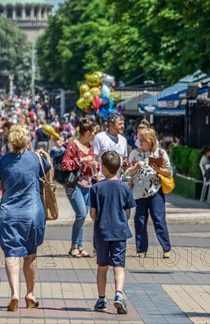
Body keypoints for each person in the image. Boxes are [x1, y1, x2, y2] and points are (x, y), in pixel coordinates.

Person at [0, 124, 53, 311]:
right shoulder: (36, 159)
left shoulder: (2, 161)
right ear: (28, 140)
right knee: (30, 254)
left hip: (9, 213)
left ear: (11, 141)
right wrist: (47, 158)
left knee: (11, 253)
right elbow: (49, 178)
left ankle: (14, 294)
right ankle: (30, 294)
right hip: (33, 213)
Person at [90, 151, 136, 314]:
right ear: (117, 168)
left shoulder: (96, 188)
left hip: (102, 232)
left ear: (103, 167)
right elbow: (128, 213)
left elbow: (93, 214)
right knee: (119, 266)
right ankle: (118, 295)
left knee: (102, 266)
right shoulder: (125, 188)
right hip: (120, 232)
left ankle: (101, 299)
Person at [126, 128, 172, 259]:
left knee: (158, 218)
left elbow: (170, 172)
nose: (140, 143)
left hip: (155, 190)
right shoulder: (134, 154)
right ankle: (141, 249)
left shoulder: (160, 153)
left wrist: (160, 170)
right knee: (139, 220)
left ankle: (166, 248)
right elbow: (128, 174)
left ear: (150, 141)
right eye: (139, 140)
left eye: (143, 140)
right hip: (139, 192)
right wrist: (134, 169)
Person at [61, 118, 98, 258]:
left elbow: (93, 165)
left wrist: (95, 165)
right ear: (87, 132)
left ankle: (80, 246)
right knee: (81, 213)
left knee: (82, 216)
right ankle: (74, 246)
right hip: (74, 184)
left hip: (87, 184)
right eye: (94, 132)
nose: (95, 135)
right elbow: (65, 164)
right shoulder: (72, 145)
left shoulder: (91, 147)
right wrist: (82, 160)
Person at [92, 113, 128, 181]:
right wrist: (98, 178)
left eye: (123, 124)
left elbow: (124, 159)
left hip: (117, 181)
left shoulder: (123, 140)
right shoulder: (99, 138)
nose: (123, 126)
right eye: (120, 124)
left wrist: (125, 164)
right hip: (101, 180)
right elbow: (93, 160)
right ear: (111, 125)